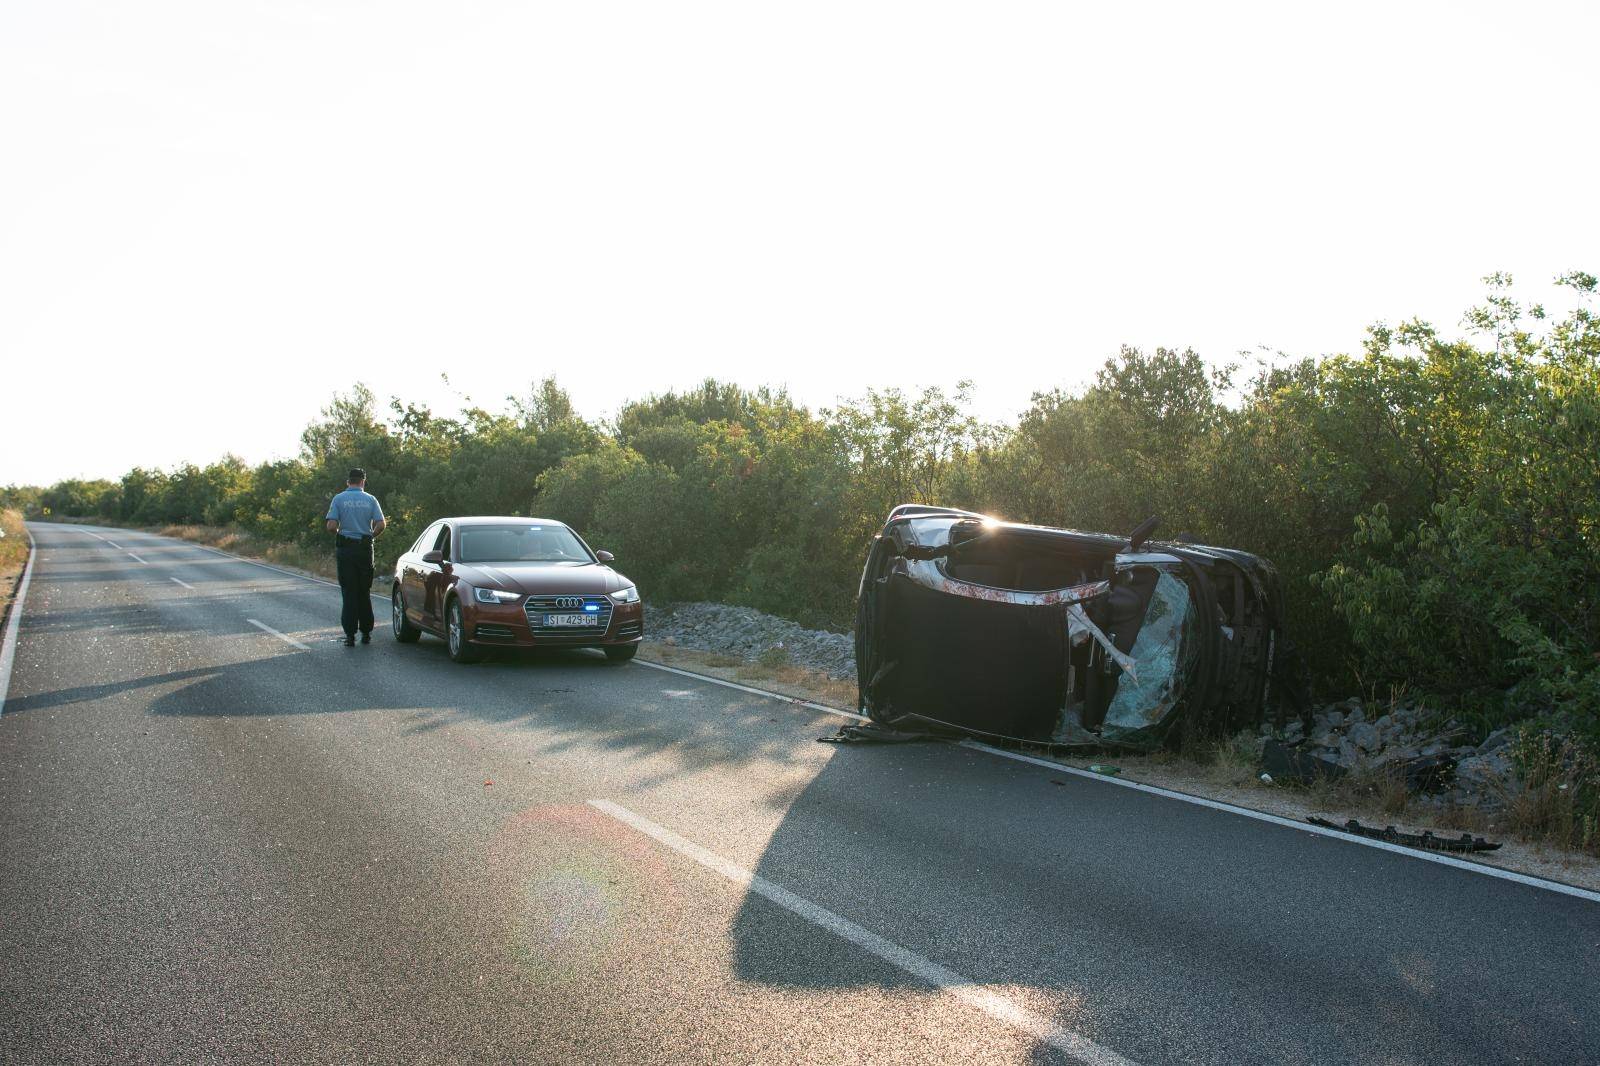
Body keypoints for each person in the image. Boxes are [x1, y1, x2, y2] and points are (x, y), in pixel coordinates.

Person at [324, 468, 386, 646]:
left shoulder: (339, 499)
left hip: (346, 550)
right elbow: (381, 524)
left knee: (349, 592)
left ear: (348, 481)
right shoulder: (370, 499)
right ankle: (366, 633)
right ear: (363, 481)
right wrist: (370, 536)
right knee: (363, 592)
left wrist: (339, 534)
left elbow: (331, 525)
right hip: (365, 550)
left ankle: (350, 635)